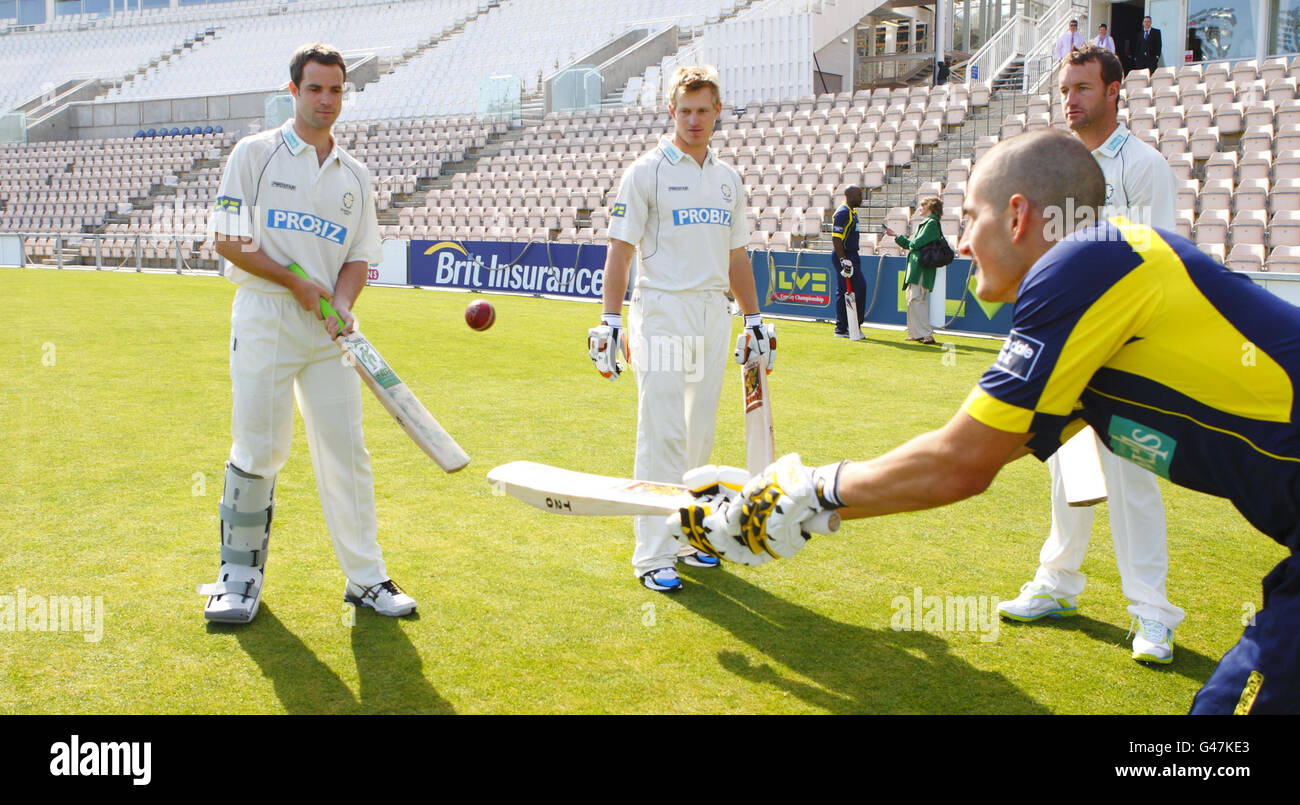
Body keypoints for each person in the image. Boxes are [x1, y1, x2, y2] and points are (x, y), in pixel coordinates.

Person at [690, 128, 1300, 713]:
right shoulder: (1095, 278)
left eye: (969, 219)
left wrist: (806, 492)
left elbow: (962, 463)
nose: (959, 244)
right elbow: (973, 459)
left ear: (1017, 216)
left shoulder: (1087, 260)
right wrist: (787, 512)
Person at [200, 42, 416, 622]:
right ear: (292, 91)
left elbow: (358, 257)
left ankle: (366, 579)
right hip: (267, 314)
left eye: (336, 89)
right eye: (315, 88)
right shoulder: (255, 155)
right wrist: (296, 284)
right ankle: (237, 577)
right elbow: (227, 240)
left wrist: (341, 303)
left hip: (329, 333)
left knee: (346, 453)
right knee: (260, 448)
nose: (327, 100)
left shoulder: (356, 177)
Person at [994, 45, 1183, 663]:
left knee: (1130, 482)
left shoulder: (1143, 166)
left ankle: (1152, 616)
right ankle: (1057, 584)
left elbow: (1160, 262)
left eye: (1082, 87)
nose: (1070, 99)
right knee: (1069, 473)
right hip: (1068, 345)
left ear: (1113, 91)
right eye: (1065, 88)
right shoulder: (1056, 165)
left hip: (1126, 350)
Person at [590, 64, 772, 593]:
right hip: (662, 310)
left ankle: (692, 535)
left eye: (703, 110)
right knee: (663, 431)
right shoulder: (645, 171)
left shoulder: (727, 177)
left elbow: (736, 254)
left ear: (718, 112)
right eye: (684, 110)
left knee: (699, 434)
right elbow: (620, 249)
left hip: (713, 312)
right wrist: (609, 319)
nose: (694, 120)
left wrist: (754, 317)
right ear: (671, 112)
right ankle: (652, 555)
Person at [884, 197, 944, 345]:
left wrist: (897, 236)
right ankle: (916, 333)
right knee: (912, 299)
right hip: (916, 267)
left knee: (917, 299)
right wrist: (897, 237)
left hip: (921, 267)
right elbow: (914, 244)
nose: (920, 208)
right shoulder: (927, 224)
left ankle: (926, 334)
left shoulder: (931, 224)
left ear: (930, 207)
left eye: (923, 206)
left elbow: (915, 244)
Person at [831, 185, 865, 339]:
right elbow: (836, 239)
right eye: (859, 195)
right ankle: (850, 327)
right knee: (857, 289)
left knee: (846, 290)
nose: (861, 197)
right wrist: (843, 259)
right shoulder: (843, 213)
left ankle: (844, 327)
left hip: (850, 256)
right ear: (850, 196)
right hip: (845, 256)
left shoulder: (852, 212)